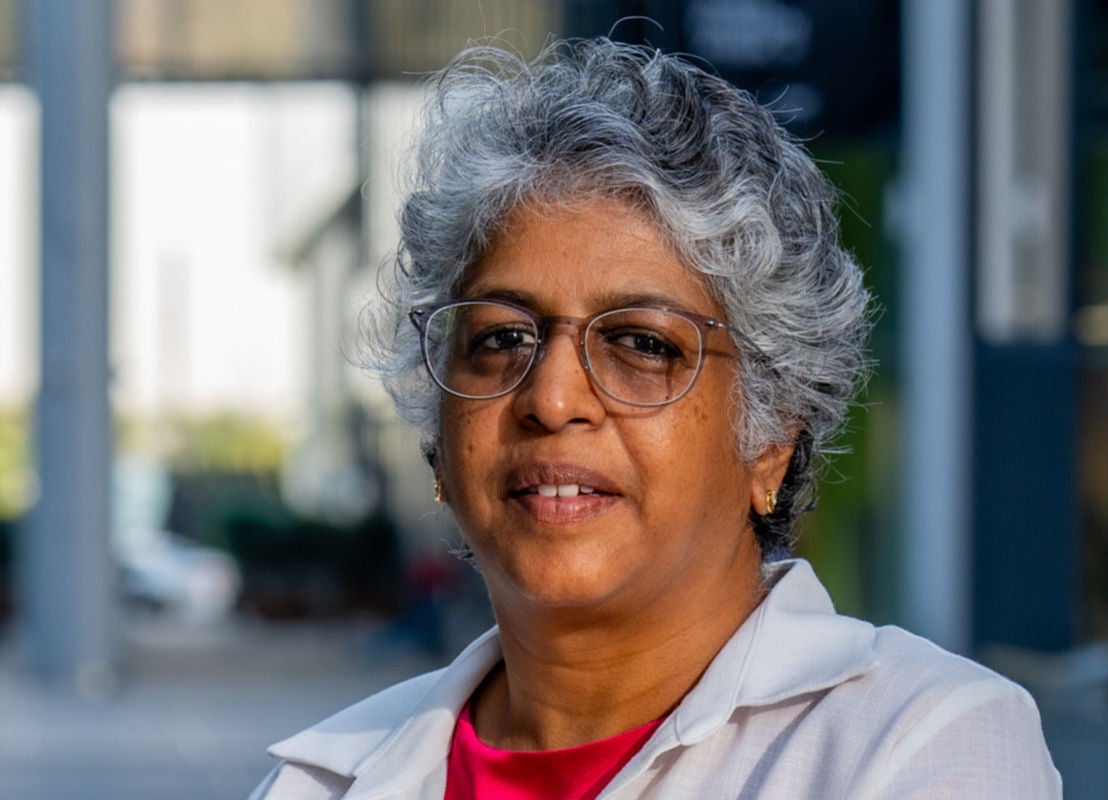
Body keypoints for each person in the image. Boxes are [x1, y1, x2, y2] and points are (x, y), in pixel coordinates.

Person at [250, 37, 1061, 799]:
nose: (552, 399)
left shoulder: (917, 742)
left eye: (642, 344)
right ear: (438, 435)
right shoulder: (321, 782)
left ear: (772, 439)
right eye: (501, 338)